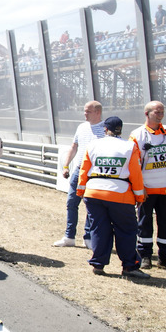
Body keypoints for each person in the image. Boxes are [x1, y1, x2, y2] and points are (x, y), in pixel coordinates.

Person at [77, 116, 149, 278]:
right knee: (126, 231)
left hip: (94, 191)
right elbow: (136, 174)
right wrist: (139, 196)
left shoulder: (93, 144)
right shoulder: (130, 147)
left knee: (99, 228)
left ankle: (98, 263)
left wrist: (81, 191)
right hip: (120, 193)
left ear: (105, 129)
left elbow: (84, 169)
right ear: (120, 129)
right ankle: (130, 267)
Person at [129, 101, 166, 271]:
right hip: (147, 189)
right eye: (157, 111)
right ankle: (145, 256)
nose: (161, 114)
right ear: (147, 114)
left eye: (162, 111)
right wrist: (140, 187)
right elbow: (135, 164)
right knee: (144, 223)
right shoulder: (137, 135)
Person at [54, 101, 105, 248]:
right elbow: (74, 147)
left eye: (88, 111)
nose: (85, 114)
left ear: (97, 112)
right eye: (84, 111)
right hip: (79, 169)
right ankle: (69, 236)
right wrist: (66, 165)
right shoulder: (81, 127)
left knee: (91, 205)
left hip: (94, 172)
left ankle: (88, 237)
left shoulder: (104, 129)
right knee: (71, 202)